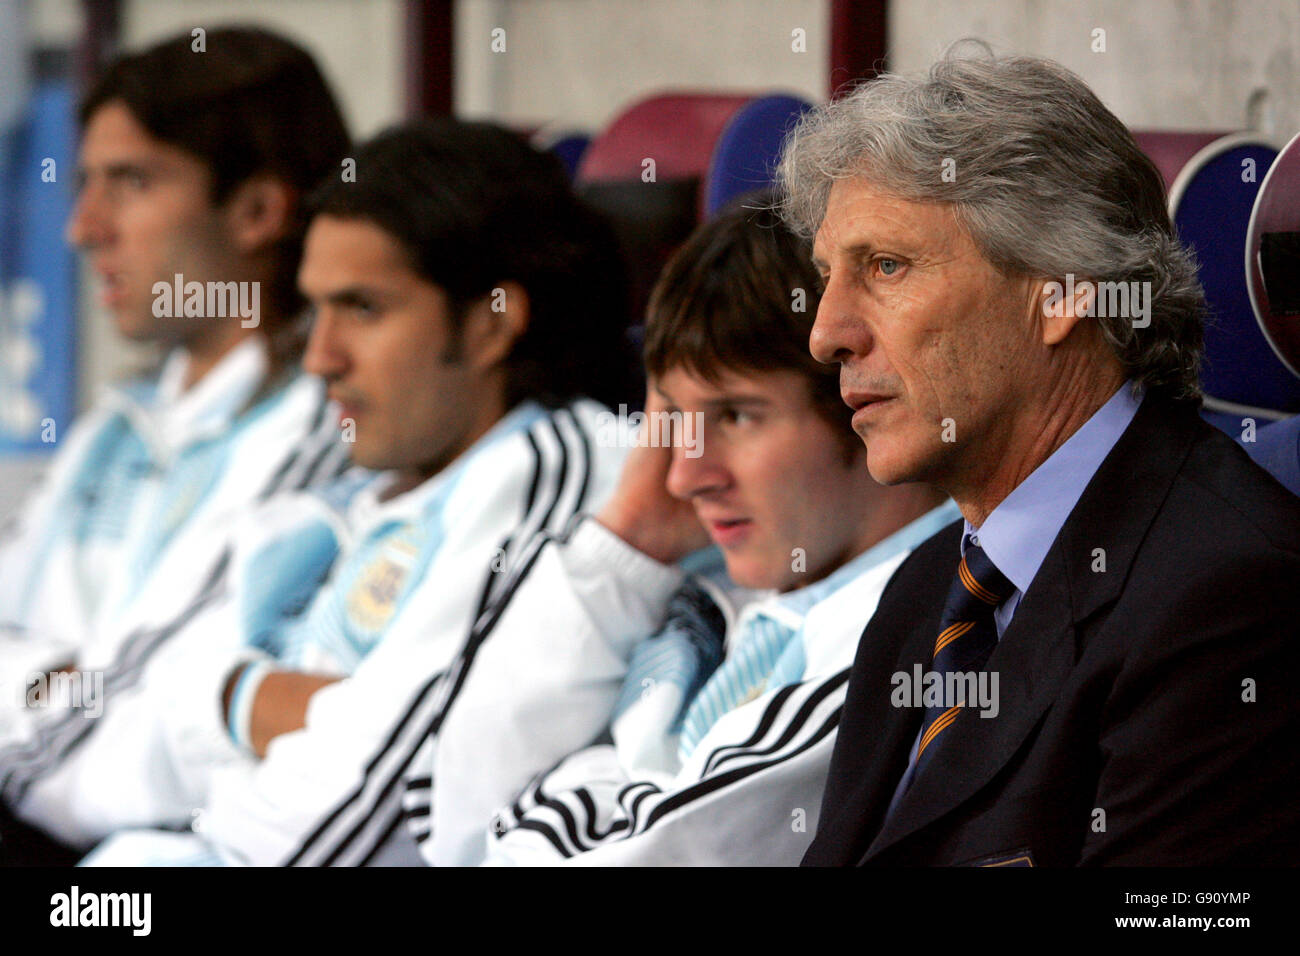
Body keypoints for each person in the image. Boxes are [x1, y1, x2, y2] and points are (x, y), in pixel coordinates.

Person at [11, 120, 631, 866]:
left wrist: (233, 704)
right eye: (317, 310)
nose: (319, 358)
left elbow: (376, 808)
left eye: (362, 308)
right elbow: (153, 696)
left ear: (491, 324)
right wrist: (249, 698)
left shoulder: (554, 471)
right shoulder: (354, 490)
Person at [779, 48, 1300, 866]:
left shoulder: (1231, 597)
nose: (826, 333)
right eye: (827, 275)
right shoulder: (926, 590)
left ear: (1061, 291)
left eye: (886, 266)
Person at [415, 200, 951, 866]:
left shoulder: (910, 638)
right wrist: (629, 539)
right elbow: (458, 824)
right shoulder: (715, 596)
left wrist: (582, 787)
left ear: (868, 405)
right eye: (673, 418)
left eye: (735, 415)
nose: (684, 475)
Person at [0, 27, 351, 864]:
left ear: (260, 210)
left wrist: (57, 682)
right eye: (86, 183)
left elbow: (162, 729)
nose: (84, 229)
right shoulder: (115, 425)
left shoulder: (329, 428)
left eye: (130, 182)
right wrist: (62, 680)